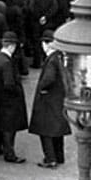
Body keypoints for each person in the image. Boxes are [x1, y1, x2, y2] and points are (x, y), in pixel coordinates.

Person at [29, 30, 70, 168]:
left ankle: (50, 159)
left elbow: (49, 78)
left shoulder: (51, 59)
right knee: (58, 129)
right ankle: (59, 156)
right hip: (58, 99)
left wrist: (41, 88)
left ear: (46, 44)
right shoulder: (59, 57)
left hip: (48, 100)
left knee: (45, 130)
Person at [0, 31, 28, 164]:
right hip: (10, 99)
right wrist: (17, 92)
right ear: (12, 46)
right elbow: (9, 83)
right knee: (9, 127)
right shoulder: (7, 62)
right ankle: (9, 153)